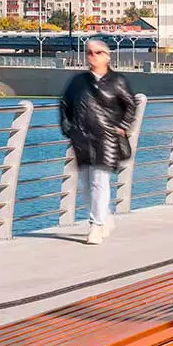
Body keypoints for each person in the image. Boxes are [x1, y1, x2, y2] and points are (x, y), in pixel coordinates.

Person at [59, 38, 137, 245]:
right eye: (89, 53)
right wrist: (68, 128)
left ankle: (95, 225)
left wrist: (122, 125)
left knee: (99, 181)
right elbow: (65, 103)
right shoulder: (78, 81)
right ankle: (104, 218)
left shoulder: (117, 81)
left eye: (97, 52)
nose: (92, 56)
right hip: (82, 139)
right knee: (86, 183)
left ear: (107, 56)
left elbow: (130, 104)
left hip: (107, 139)